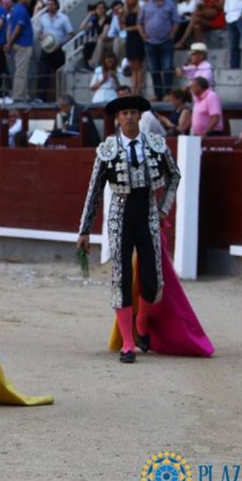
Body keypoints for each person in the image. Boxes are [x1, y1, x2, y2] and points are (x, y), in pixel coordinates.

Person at [77, 95, 180, 364]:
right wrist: (84, 230)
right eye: (125, 114)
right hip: (119, 216)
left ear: (139, 116)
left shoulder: (155, 145)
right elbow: (94, 191)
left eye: (134, 112)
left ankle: (142, 323)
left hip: (147, 213)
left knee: (153, 280)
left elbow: (174, 176)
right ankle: (128, 343)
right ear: (118, 118)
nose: (130, 117)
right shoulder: (106, 149)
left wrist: (163, 208)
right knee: (121, 278)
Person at [138, 0, 180, 101]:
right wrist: (142, 35)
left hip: (166, 41)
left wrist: (172, 35)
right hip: (150, 42)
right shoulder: (146, 6)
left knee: (167, 68)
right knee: (154, 69)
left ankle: (167, 93)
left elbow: (176, 21)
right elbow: (139, 22)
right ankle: (158, 94)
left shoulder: (170, 5)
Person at [35, 0, 73, 102]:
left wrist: (60, 44)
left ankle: (60, 97)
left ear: (56, 5)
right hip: (46, 48)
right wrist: (41, 37)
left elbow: (70, 34)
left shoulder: (63, 18)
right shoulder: (43, 18)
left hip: (58, 49)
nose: (49, 6)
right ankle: (41, 97)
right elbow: (39, 32)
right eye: (48, 4)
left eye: (51, 4)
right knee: (43, 72)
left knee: (59, 74)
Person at [6, 0, 33, 103]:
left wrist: (9, 43)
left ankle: (23, 94)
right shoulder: (21, 10)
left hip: (19, 44)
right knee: (21, 71)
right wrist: (9, 43)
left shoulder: (15, 9)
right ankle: (18, 96)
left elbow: (9, 28)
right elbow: (17, 28)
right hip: (23, 44)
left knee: (22, 70)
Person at [123, 0, 145, 95]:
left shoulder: (140, 10)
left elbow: (140, 25)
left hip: (138, 38)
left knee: (138, 64)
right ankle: (133, 86)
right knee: (132, 64)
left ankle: (139, 87)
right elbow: (122, 26)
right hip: (130, 38)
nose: (129, 0)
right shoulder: (126, 12)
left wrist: (130, 28)